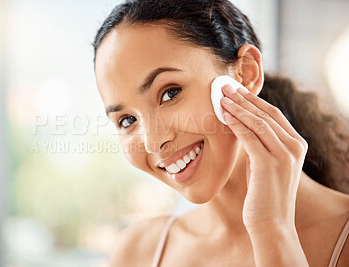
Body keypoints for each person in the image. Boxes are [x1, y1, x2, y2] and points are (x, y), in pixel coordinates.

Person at [92, 0, 349, 266]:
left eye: (170, 93)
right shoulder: (136, 253)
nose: (154, 142)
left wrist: (272, 229)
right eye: (127, 120)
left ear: (245, 73)